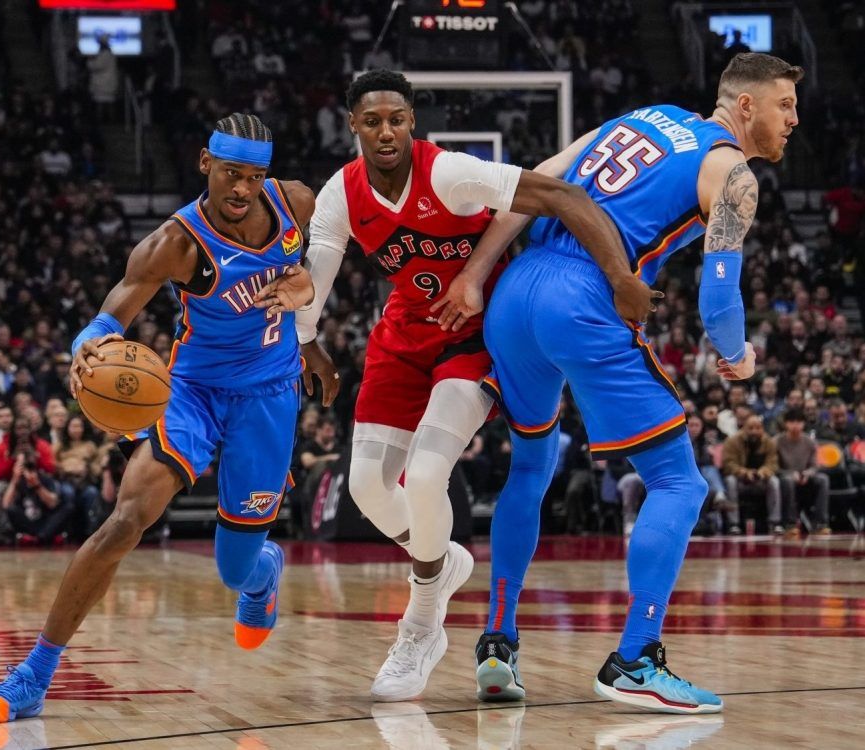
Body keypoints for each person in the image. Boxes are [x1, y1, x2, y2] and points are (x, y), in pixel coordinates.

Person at [257, 69, 653, 702]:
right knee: (365, 486)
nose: (386, 131)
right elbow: (318, 273)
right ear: (353, 125)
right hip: (402, 337)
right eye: (372, 121)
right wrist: (308, 342)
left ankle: (420, 626)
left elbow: (561, 196)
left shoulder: (451, 172)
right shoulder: (341, 193)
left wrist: (620, 277)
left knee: (427, 473)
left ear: (412, 121)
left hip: (474, 337)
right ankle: (441, 562)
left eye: (396, 119)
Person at [444, 53, 801, 712]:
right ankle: (635, 659)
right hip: (583, 297)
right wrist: (738, 355)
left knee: (531, 465)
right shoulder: (731, 172)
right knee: (679, 482)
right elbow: (717, 304)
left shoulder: (642, 117)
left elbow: (535, 183)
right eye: (784, 104)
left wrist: (474, 274)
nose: (794, 119)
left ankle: (498, 641)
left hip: (515, 292)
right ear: (745, 105)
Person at [0, 113, 316, 723]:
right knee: (125, 520)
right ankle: (34, 675)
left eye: (253, 176)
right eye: (230, 173)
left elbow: (325, 253)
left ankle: (262, 575)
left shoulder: (296, 203)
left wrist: (309, 293)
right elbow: (111, 314)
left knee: (235, 569)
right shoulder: (175, 243)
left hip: (270, 396)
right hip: (192, 392)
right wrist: (86, 346)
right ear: (205, 163)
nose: (242, 188)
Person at [722, 415, 783, 534]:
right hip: (740, 481)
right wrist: (744, 472)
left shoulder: (769, 442)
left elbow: (773, 464)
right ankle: (734, 524)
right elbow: (729, 464)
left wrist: (763, 472)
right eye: (750, 428)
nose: (754, 431)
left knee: (774, 481)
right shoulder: (732, 441)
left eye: (758, 428)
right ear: (744, 428)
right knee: (730, 481)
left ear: (762, 429)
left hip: (760, 480)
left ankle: (775, 522)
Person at [776, 408, 830, 535]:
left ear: (804, 424)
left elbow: (815, 466)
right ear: (785, 424)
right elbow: (773, 467)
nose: (795, 425)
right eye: (792, 422)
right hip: (784, 476)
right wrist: (789, 473)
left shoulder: (810, 442)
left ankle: (820, 523)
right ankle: (791, 523)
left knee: (823, 479)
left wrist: (807, 473)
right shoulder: (776, 441)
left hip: (805, 476)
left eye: (799, 422)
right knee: (788, 480)